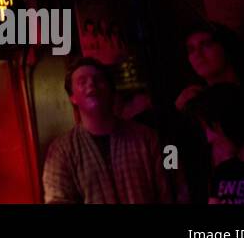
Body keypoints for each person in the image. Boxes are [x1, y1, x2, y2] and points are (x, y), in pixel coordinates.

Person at [42, 58, 172, 203]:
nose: (91, 84)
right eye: (82, 81)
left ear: (111, 91)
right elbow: (58, 200)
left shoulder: (147, 138)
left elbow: (174, 188)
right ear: (73, 97)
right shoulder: (61, 151)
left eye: (98, 80)